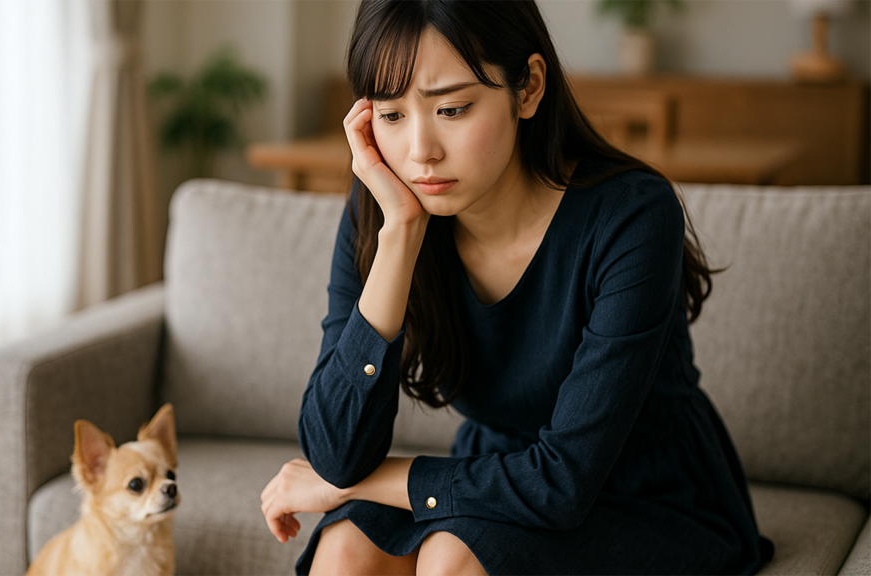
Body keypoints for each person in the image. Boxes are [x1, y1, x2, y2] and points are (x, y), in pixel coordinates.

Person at [260, 0, 775, 574]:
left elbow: (563, 483)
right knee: (347, 545)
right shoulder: (387, 203)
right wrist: (400, 235)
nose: (420, 152)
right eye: (391, 114)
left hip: (649, 499)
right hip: (496, 481)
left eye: (451, 109)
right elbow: (335, 454)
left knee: (452, 556)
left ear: (527, 87)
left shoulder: (632, 217)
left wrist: (358, 486)